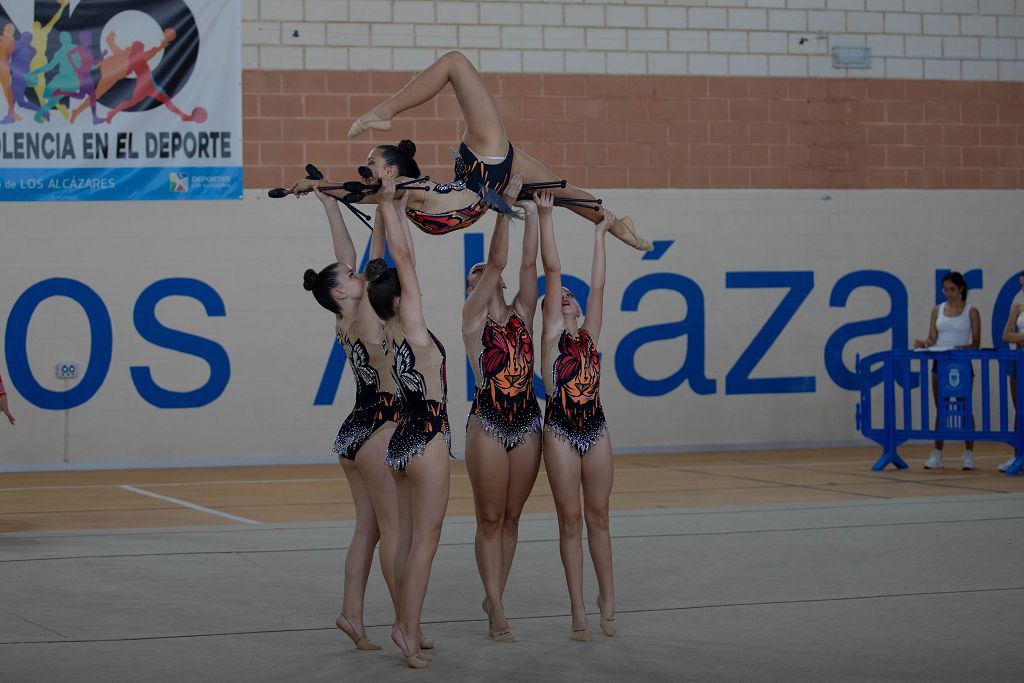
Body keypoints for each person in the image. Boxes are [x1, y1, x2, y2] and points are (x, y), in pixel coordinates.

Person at [292, 51, 651, 251]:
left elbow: (360, 193)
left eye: (372, 163)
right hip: (486, 167)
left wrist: (319, 188)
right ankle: (384, 111)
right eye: (370, 164)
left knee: (565, 194)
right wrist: (320, 188)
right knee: (455, 63)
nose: (366, 169)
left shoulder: (402, 195)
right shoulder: (402, 195)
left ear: (390, 171)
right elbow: (362, 193)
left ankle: (620, 229)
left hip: (481, 173)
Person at [302, 187, 402, 651]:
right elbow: (367, 254)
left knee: (369, 528)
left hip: (356, 429)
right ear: (341, 291)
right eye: (351, 274)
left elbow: (346, 254)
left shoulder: (343, 318)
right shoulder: (361, 314)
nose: (359, 270)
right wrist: (383, 209)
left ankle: (352, 614)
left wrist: (330, 204)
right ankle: (409, 623)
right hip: (381, 425)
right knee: (395, 531)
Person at [365, 175, 451, 669]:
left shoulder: (386, 330)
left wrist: (393, 207)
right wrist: (389, 204)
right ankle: (409, 632)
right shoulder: (412, 324)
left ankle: (403, 620)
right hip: (427, 439)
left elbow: (402, 267)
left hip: (399, 443)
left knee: (405, 540)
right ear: (402, 300)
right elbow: (406, 264)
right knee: (426, 541)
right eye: (409, 290)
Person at [462, 173, 542, 643]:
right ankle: (496, 611)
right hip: (489, 421)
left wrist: (535, 215)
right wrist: (503, 209)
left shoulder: (524, 316)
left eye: (485, 272)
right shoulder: (471, 319)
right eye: (472, 273)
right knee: (489, 518)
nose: (481, 273)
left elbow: (528, 265)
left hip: (527, 421)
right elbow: (499, 260)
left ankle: (496, 594)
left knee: (512, 517)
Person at [537, 190, 616, 641]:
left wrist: (601, 234)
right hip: (561, 430)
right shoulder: (550, 336)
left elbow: (599, 286)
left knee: (599, 514)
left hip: (596, 426)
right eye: (558, 296)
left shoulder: (590, 333)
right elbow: (551, 271)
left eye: (570, 295)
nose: (564, 296)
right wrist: (547, 218)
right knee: (570, 520)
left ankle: (608, 598)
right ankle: (578, 608)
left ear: (581, 308)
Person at [913, 272, 982, 470]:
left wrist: (963, 348)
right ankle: (937, 453)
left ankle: (969, 453)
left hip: (961, 364)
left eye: (952, 289)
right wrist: (923, 343)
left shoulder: (971, 311)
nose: (948, 293)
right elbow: (932, 338)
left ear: (961, 289)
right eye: (945, 289)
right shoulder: (937, 310)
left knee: (965, 407)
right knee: (940, 408)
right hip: (940, 363)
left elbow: (976, 342)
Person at [998, 270, 1024, 473]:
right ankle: (1019, 455)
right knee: (1019, 408)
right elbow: (1006, 335)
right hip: (1020, 359)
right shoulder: (1018, 307)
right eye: (1022, 286)